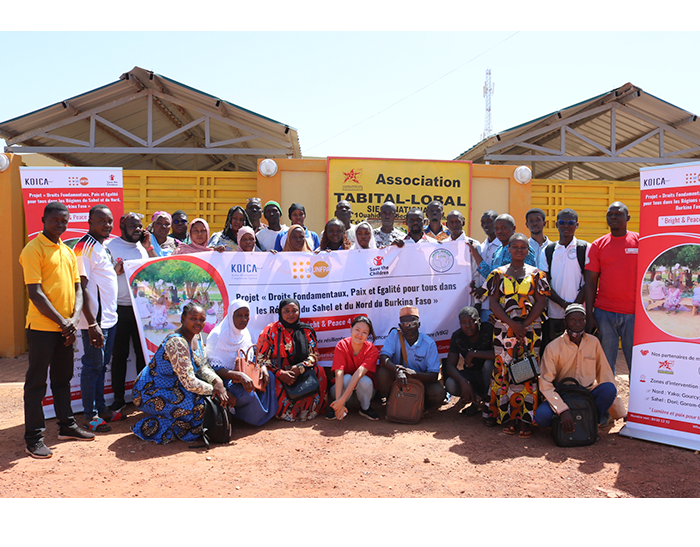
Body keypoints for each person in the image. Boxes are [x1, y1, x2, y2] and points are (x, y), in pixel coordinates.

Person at [20, 202, 95, 458]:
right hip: (42, 329)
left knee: (62, 380)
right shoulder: (33, 249)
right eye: (55, 220)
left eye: (64, 221)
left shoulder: (67, 251)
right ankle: (33, 438)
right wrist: (64, 322)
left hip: (66, 328)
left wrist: (73, 319)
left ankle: (67, 426)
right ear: (43, 220)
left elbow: (78, 289)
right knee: (36, 384)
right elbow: (35, 293)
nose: (60, 225)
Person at [131, 303, 229, 444]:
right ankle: (149, 426)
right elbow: (190, 382)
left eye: (202, 319)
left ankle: (175, 422)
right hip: (149, 391)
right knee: (196, 405)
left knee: (203, 403)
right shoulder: (177, 342)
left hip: (174, 387)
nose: (198, 322)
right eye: (193, 318)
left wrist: (218, 382)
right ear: (183, 318)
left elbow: (202, 367)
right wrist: (217, 391)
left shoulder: (197, 336)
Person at [485, 233, 550, 438]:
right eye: (515, 247)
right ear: (509, 249)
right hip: (504, 330)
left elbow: (541, 302)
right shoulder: (497, 274)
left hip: (530, 331)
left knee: (526, 371)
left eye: (523, 247)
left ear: (528, 251)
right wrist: (513, 324)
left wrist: (524, 325)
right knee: (504, 370)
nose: (519, 250)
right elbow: (493, 303)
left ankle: (525, 419)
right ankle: (508, 416)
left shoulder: (537, 275)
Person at [73, 205, 120, 433]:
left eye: (109, 221)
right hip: (96, 322)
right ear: (90, 222)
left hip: (109, 319)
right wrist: (92, 323)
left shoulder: (103, 246)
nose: (107, 225)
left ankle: (102, 410)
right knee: (93, 367)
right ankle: (90, 416)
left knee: (100, 366)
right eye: (101, 221)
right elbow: (80, 287)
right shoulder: (85, 247)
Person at [536, 304, 618, 433]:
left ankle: (591, 421)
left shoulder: (593, 342)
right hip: (562, 394)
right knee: (542, 417)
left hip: (586, 393)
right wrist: (562, 410)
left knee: (608, 389)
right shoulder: (552, 347)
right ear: (565, 322)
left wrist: (619, 411)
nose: (577, 324)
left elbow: (605, 373)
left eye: (581, 320)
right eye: (573, 320)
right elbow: (545, 383)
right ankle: (564, 421)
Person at [106, 212, 156, 415]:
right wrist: (114, 270)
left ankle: (142, 398)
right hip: (118, 308)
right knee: (119, 355)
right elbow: (100, 274)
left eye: (139, 226)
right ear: (121, 226)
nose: (137, 229)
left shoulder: (142, 248)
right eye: (132, 225)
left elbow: (156, 269)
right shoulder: (110, 246)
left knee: (142, 355)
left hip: (141, 309)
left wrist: (148, 247)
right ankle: (119, 399)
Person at [585, 201, 639, 374]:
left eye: (618, 214)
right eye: (610, 214)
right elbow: (591, 282)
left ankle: (636, 393)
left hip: (634, 313)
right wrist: (589, 314)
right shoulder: (598, 245)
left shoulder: (639, 242)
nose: (613, 217)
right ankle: (608, 392)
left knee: (636, 363)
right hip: (604, 313)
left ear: (628, 217)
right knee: (606, 364)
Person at [205, 299, 277, 426]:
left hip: (243, 374)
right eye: (239, 315)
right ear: (231, 315)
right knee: (246, 394)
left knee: (269, 377)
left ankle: (264, 414)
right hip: (224, 379)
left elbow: (250, 358)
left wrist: (262, 367)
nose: (244, 319)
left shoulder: (245, 333)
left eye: (246, 315)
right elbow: (214, 368)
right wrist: (239, 376)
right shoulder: (217, 335)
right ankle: (242, 417)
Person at [256, 298, 328, 421]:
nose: (291, 314)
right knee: (272, 379)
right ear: (280, 312)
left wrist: (300, 367)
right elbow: (261, 358)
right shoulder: (269, 330)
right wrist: (280, 373)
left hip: (301, 369)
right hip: (278, 371)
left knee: (319, 371)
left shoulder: (305, 330)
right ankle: (285, 413)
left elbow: (314, 354)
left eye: (294, 310)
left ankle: (312, 410)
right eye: (286, 311)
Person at [377, 306, 446, 412]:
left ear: (419, 325)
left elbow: (433, 376)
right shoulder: (395, 335)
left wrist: (413, 373)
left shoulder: (429, 343)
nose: (409, 327)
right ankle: (392, 403)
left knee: (438, 392)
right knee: (383, 373)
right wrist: (398, 370)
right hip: (398, 378)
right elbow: (383, 358)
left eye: (413, 323)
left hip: (420, 379)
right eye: (405, 324)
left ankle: (419, 408)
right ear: (400, 326)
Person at [539, 208, 589, 355]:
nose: (566, 225)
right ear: (556, 225)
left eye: (570, 222)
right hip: (555, 313)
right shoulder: (548, 250)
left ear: (577, 225)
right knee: (556, 352)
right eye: (562, 222)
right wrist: (563, 304)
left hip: (579, 315)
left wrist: (574, 306)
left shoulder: (585, 248)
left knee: (577, 352)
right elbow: (544, 283)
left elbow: (589, 282)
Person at [469, 214, 537, 314]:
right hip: (499, 308)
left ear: (513, 228)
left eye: (503, 228)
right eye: (496, 228)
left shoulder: (522, 249)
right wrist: (475, 252)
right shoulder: (498, 250)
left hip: (519, 308)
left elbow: (528, 279)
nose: (499, 231)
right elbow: (491, 276)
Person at [442, 306, 495, 417]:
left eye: (471, 321)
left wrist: (473, 353)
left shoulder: (488, 330)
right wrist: (463, 382)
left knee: (488, 364)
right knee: (450, 383)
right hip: (471, 375)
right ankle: (476, 398)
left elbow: (498, 354)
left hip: (490, 376)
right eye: (463, 323)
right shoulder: (457, 336)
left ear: (479, 321)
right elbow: (450, 366)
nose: (467, 326)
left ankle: (489, 403)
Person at [326, 315, 380, 421]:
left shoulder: (372, 350)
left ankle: (365, 408)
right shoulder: (342, 345)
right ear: (351, 329)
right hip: (340, 393)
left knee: (365, 380)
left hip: (363, 394)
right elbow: (339, 373)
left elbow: (358, 374)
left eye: (364, 332)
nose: (360, 335)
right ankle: (337, 408)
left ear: (368, 335)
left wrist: (341, 401)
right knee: (346, 378)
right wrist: (339, 403)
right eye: (357, 330)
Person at [444, 210, 480, 306]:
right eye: (451, 222)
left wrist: (477, 302)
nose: (454, 225)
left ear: (463, 223)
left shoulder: (474, 244)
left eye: (457, 222)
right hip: (448, 294)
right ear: (447, 225)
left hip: (468, 295)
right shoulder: (443, 245)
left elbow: (477, 273)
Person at [474, 210, 501, 322]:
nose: (485, 225)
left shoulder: (504, 247)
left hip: (500, 304)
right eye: (483, 222)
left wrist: (484, 289)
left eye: (489, 221)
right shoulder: (481, 246)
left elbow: (498, 275)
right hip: (484, 304)